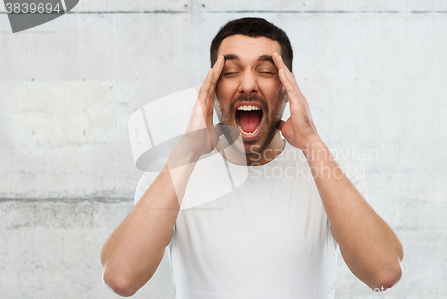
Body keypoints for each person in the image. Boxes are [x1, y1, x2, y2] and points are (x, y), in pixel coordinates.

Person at [100, 17, 404, 298]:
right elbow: (122, 278)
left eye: (267, 71)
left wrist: (312, 143)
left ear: (287, 89)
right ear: (214, 89)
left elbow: (383, 273)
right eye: (230, 72)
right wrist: (188, 149)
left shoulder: (330, 171)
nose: (247, 84)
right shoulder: (173, 173)